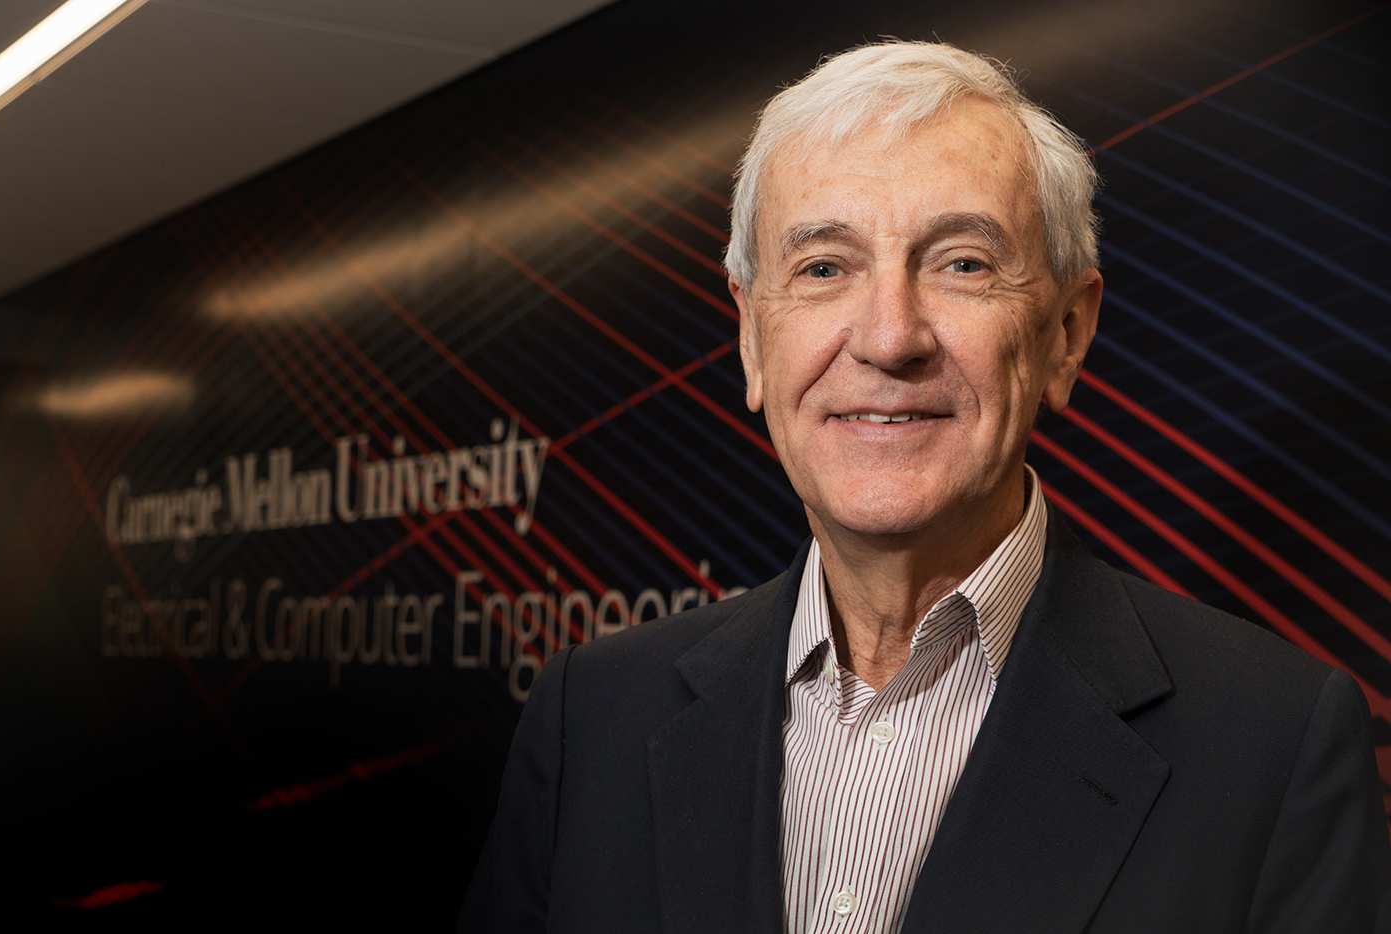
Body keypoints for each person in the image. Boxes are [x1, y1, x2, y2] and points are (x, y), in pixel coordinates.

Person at [458, 41, 1390, 933]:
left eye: (962, 264)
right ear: (750, 338)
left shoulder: (1274, 746)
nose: (891, 336)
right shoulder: (593, 719)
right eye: (824, 267)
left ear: (1066, 333)